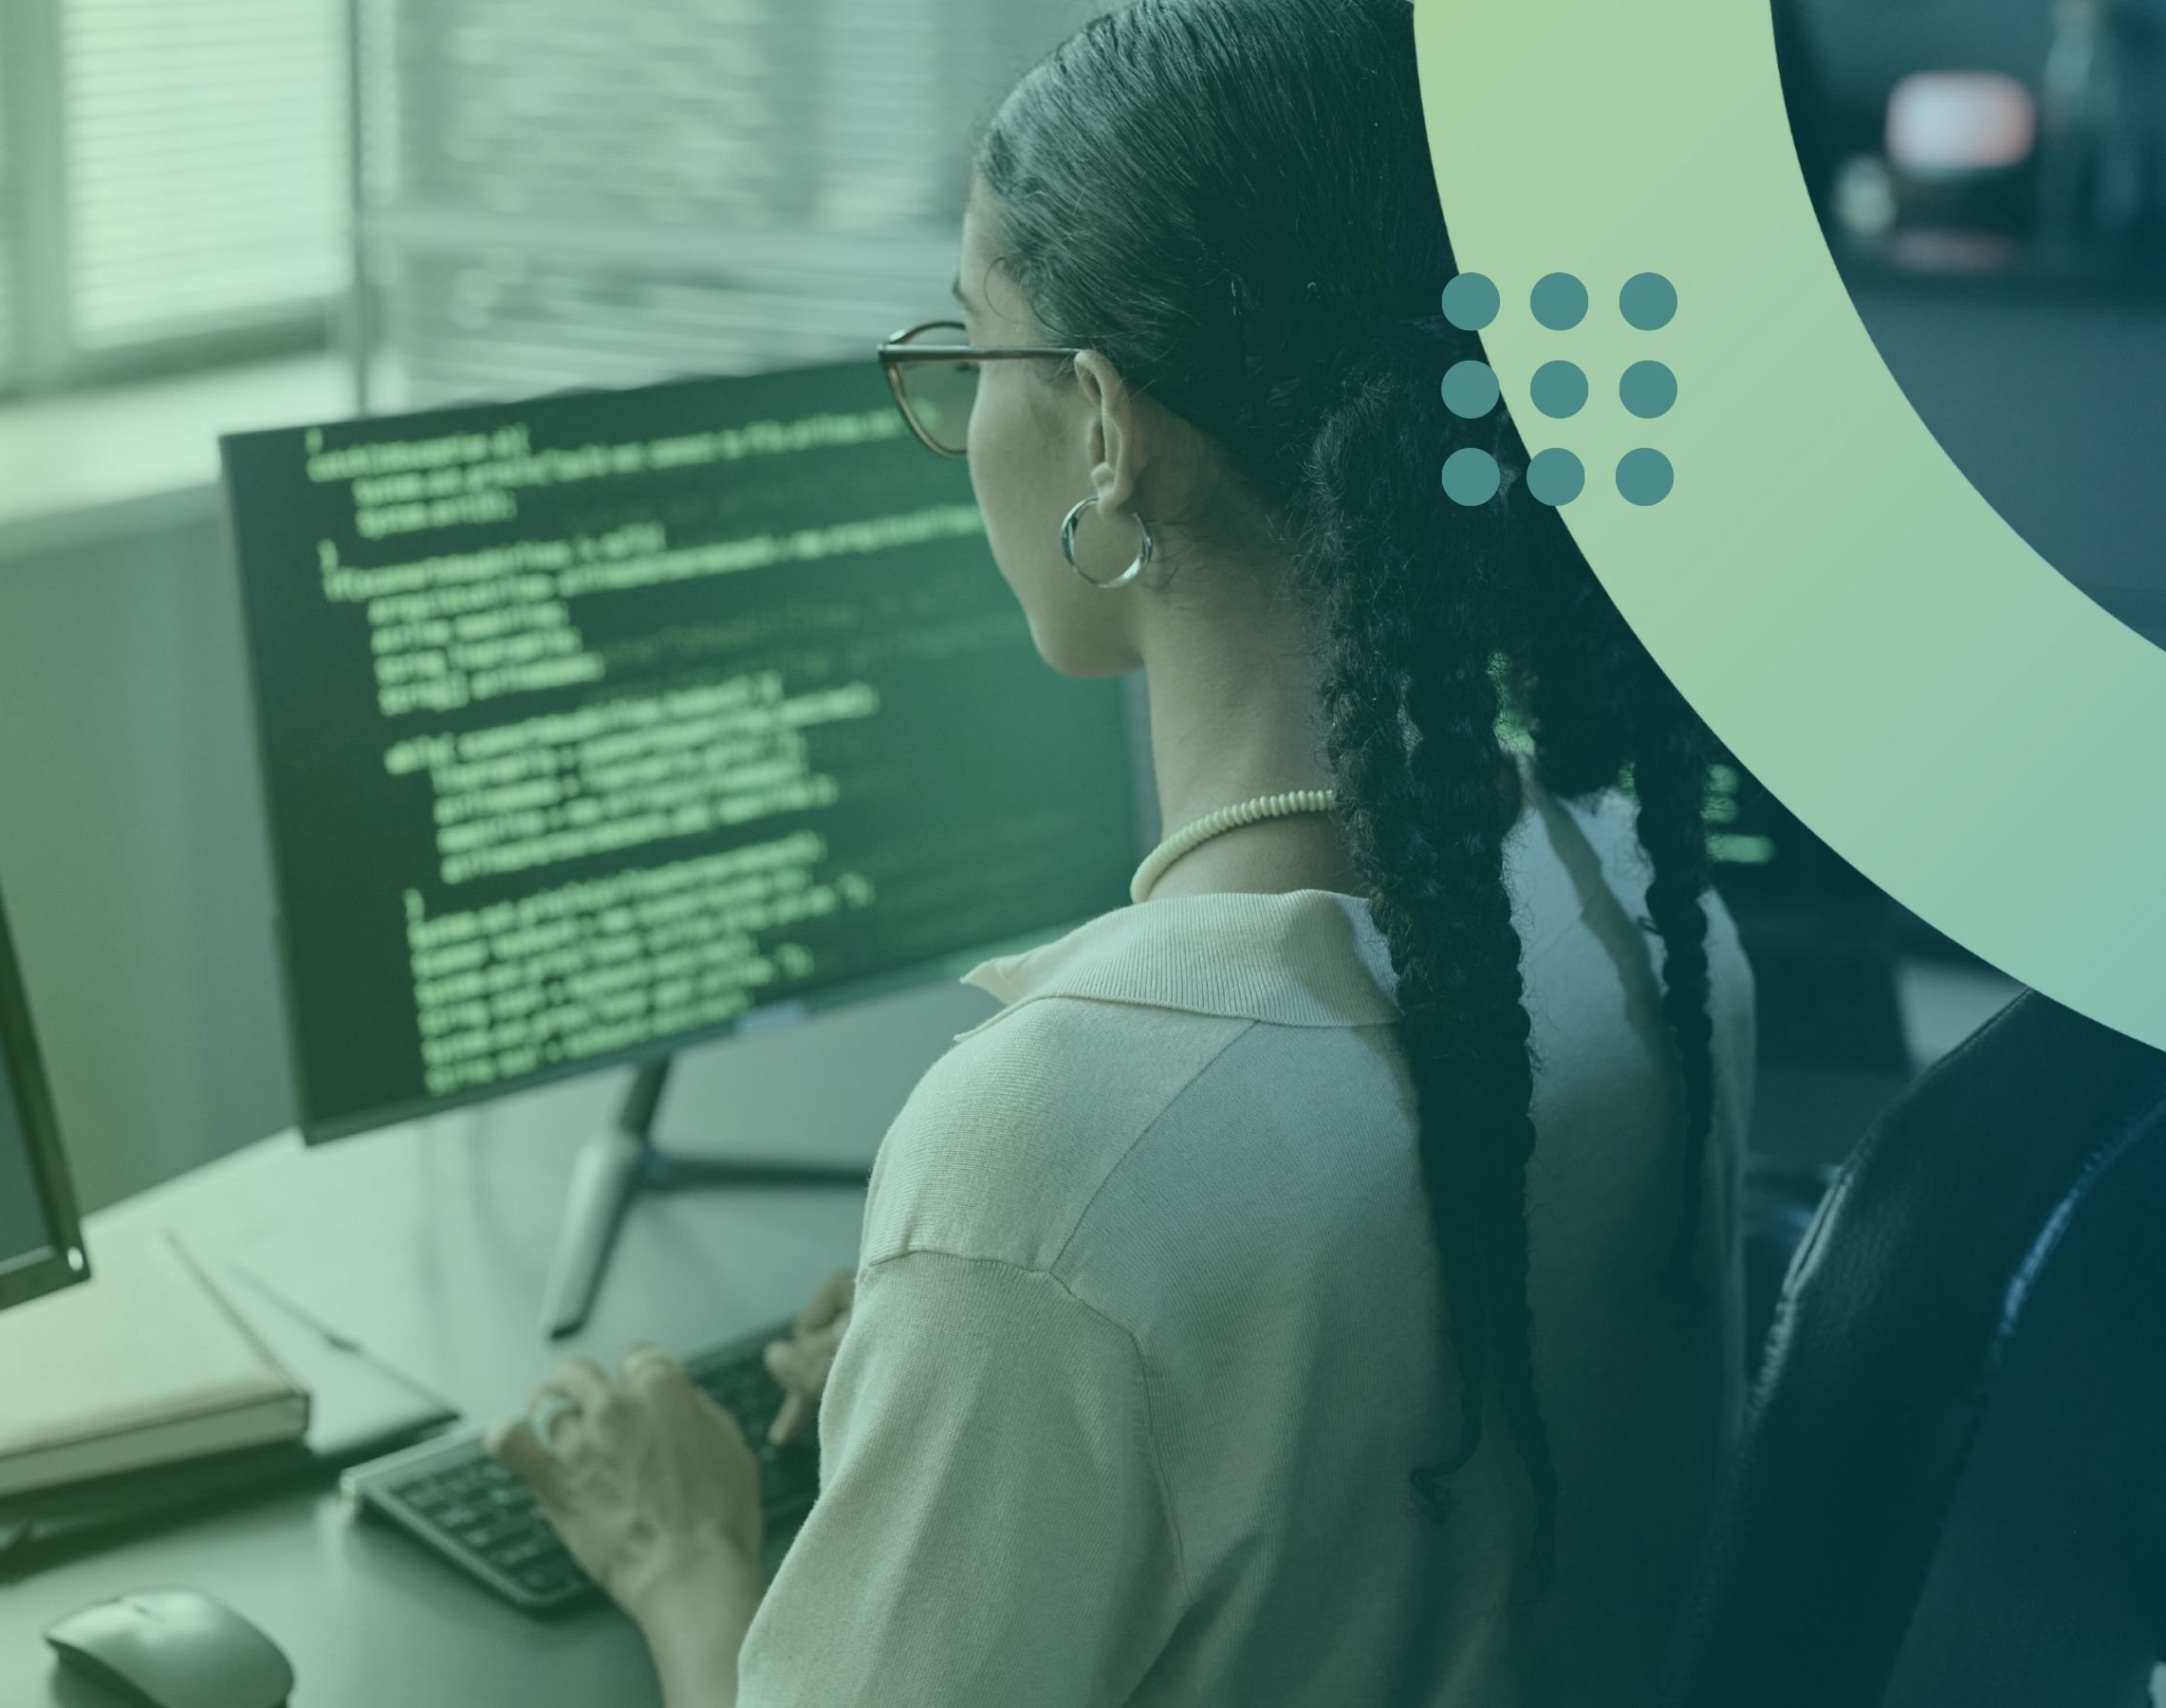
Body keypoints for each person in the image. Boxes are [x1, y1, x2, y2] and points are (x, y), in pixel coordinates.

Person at [487, 0, 1757, 1701]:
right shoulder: (1653, 929)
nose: (960, 424)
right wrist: (988, 1372)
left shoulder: (1054, 1155)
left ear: (1101, 427)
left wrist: (684, 1554)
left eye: (970, 352)